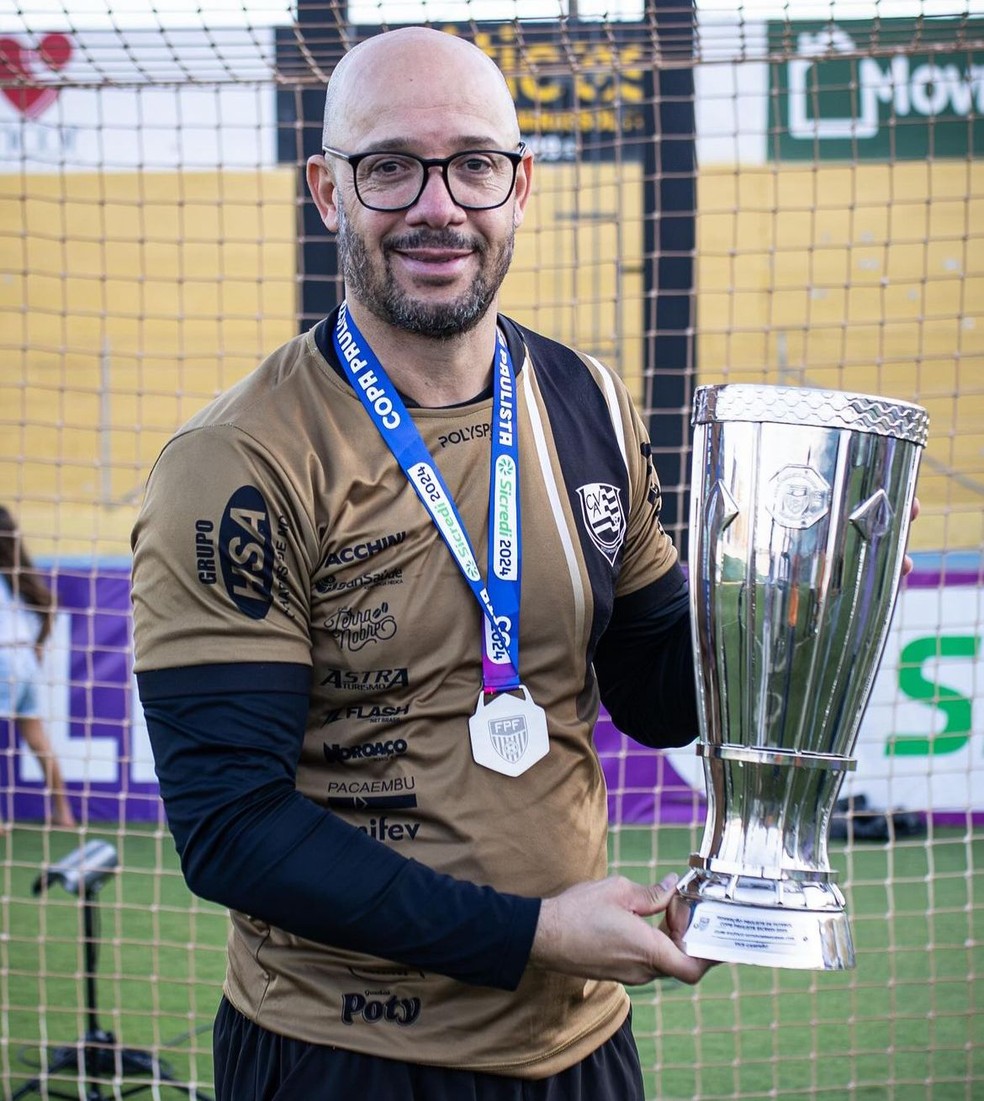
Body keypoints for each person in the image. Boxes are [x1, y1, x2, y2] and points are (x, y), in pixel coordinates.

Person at [132, 25, 848, 1099]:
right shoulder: (236, 461)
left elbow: (658, 697)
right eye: (390, 168)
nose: (438, 204)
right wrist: (532, 935)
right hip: (346, 1058)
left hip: (577, 1047)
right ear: (328, 191)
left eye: (474, 163)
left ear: (521, 187)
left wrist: (801, 583)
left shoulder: (585, 398)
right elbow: (231, 829)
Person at [1, 506, 76, 832]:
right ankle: (64, 813)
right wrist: (37, 650)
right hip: (26, 661)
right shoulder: (20, 575)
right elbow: (45, 612)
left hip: (2, 657)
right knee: (36, 736)